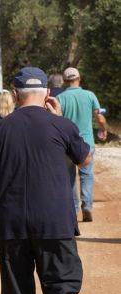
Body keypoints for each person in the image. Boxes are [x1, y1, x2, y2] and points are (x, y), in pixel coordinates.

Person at [0, 67, 92, 294]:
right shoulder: (60, 126)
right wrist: (58, 119)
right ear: (48, 94)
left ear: (15, 94)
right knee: (63, 293)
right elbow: (85, 158)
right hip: (55, 224)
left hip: (11, 225)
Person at [56, 67, 108, 222]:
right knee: (86, 174)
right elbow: (100, 118)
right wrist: (103, 130)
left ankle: (74, 209)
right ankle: (87, 206)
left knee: (69, 176)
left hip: (67, 143)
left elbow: (56, 120)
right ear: (79, 78)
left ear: (65, 81)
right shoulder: (90, 95)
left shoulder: (60, 98)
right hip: (87, 142)